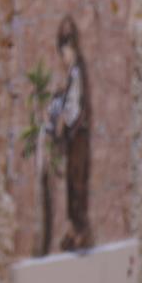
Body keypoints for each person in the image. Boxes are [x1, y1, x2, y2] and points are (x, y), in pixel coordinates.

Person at [45, 16, 92, 252]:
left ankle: (80, 230)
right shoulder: (74, 73)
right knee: (72, 183)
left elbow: (77, 106)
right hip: (74, 136)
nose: (62, 59)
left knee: (77, 182)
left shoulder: (78, 72)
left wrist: (66, 125)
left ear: (70, 48)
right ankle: (74, 229)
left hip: (78, 136)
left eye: (63, 53)